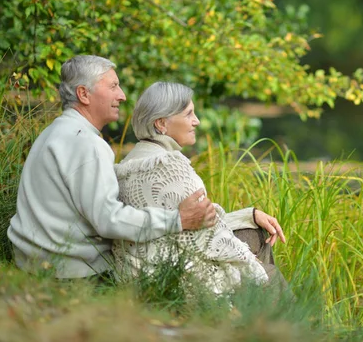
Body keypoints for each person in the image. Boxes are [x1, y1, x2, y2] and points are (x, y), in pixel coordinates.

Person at [7, 55, 216, 279]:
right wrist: (177, 220)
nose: (122, 96)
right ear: (84, 94)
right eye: (114, 86)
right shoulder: (87, 144)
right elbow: (109, 220)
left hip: (31, 261)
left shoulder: (55, 132)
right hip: (70, 273)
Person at [112, 81, 287, 294]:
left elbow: (186, 226)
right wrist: (255, 267)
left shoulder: (127, 165)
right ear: (161, 124)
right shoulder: (169, 166)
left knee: (251, 230)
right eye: (188, 114)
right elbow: (207, 236)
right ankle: (287, 322)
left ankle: (260, 314)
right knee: (268, 272)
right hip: (175, 279)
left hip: (137, 272)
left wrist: (249, 215)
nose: (197, 121)